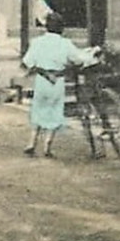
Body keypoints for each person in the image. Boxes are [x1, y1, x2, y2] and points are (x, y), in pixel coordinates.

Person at [20, 12, 99, 158]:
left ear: (46, 27)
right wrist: (92, 53)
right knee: (54, 112)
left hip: (42, 80)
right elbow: (78, 59)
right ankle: (47, 147)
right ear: (61, 28)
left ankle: (31, 143)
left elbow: (27, 62)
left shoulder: (37, 42)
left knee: (38, 109)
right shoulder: (65, 44)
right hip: (57, 81)